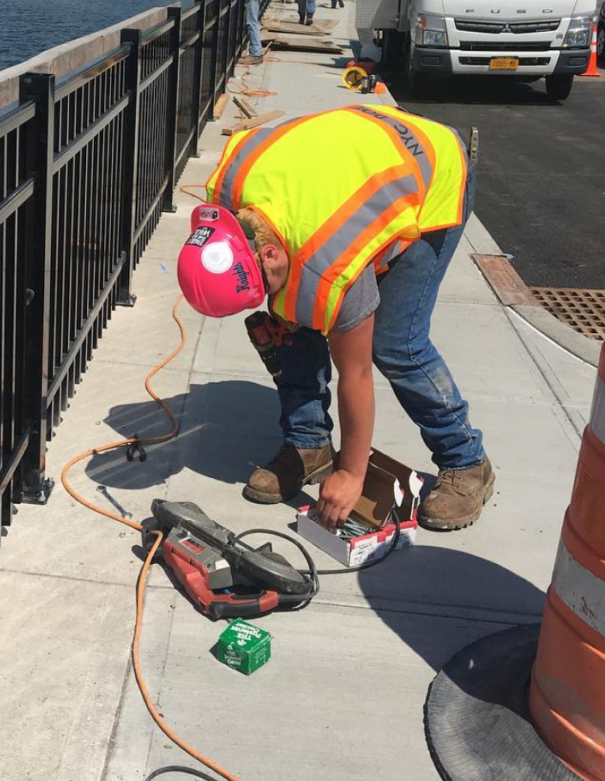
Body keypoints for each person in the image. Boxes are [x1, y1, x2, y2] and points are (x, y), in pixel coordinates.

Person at [177, 104, 492, 533]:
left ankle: (467, 460)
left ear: (268, 252)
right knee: (293, 315)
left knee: (395, 341)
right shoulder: (227, 207)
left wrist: (352, 475)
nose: (265, 301)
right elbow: (282, 289)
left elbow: (356, 373)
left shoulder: (330, 256)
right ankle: (310, 445)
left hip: (431, 171)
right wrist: (280, 311)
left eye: (261, 288)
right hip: (353, 154)